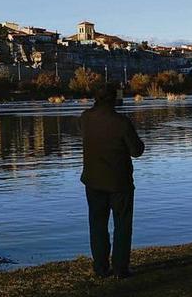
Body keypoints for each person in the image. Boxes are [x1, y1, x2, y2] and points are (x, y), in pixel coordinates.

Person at [79, 83, 145, 278]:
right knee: (122, 225)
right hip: (119, 182)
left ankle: (100, 267)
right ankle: (120, 268)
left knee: (97, 224)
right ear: (114, 99)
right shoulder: (121, 122)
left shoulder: (85, 118)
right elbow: (136, 151)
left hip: (93, 181)